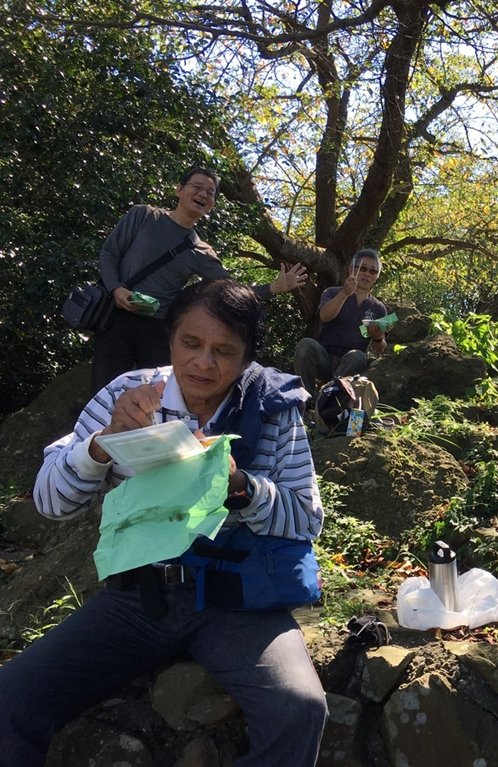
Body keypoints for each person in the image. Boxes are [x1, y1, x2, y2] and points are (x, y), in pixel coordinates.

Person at [0, 279, 328, 766]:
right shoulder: (128, 395)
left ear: (246, 358)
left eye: (224, 351)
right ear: (170, 338)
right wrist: (102, 444)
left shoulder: (272, 407)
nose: (203, 363)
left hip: (236, 601)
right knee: (9, 699)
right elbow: (51, 503)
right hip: (138, 598)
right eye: (190, 343)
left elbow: (305, 519)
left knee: (298, 709)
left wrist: (240, 486)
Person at [92, 166, 308, 393]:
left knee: (157, 396)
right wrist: (116, 289)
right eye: (197, 187)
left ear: (212, 204)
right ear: (179, 189)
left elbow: (231, 292)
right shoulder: (144, 215)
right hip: (116, 316)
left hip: (157, 328)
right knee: (104, 390)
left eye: (210, 192)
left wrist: (275, 287)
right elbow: (109, 254)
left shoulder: (200, 251)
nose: (203, 194)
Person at [292, 248, 388, 397]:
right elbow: (324, 316)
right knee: (306, 345)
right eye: (362, 268)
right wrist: (344, 294)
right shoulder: (332, 292)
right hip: (325, 357)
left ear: (376, 277)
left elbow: (380, 349)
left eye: (372, 271)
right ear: (351, 269)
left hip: (352, 364)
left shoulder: (379, 308)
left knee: (358, 356)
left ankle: (328, 397)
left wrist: (377, 338)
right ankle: (305, 399)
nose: (367, 274)